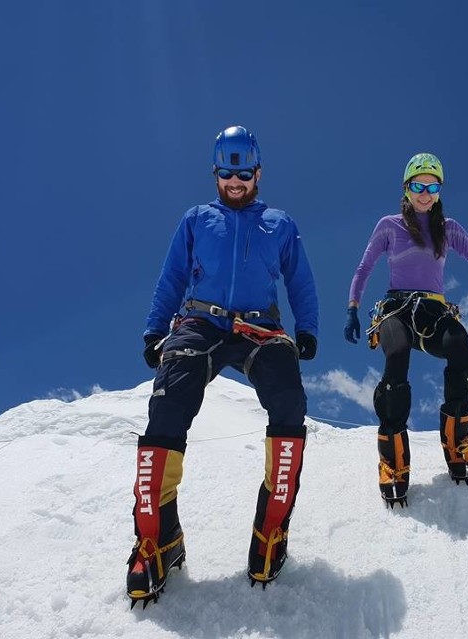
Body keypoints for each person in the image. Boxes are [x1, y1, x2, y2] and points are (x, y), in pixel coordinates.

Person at [126, 125, 319, 606]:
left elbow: (301, 280)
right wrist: (155, 330)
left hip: (260, 327)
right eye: (227, 174)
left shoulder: (281, 224)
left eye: (244, 174)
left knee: (289, 402)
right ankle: (157, 542)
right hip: (200, 321)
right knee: (167, 406)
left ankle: (270, 530)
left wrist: (307, 327)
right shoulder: (196, 219)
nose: (236, 182)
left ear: (258, 173)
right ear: (216, 174)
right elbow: (172, 274)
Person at [344, 152, 468, 507]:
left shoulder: (449, 228)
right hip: (397, 309)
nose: (425, 193)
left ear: (439, 190)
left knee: (460, 346)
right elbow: (364, 268)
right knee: (395, 359)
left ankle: (457, 443)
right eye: (418, 185)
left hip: (433, 309)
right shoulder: (389, 225)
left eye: (432, 186)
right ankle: (393, 463)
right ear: (406, 188)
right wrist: (353, 308)